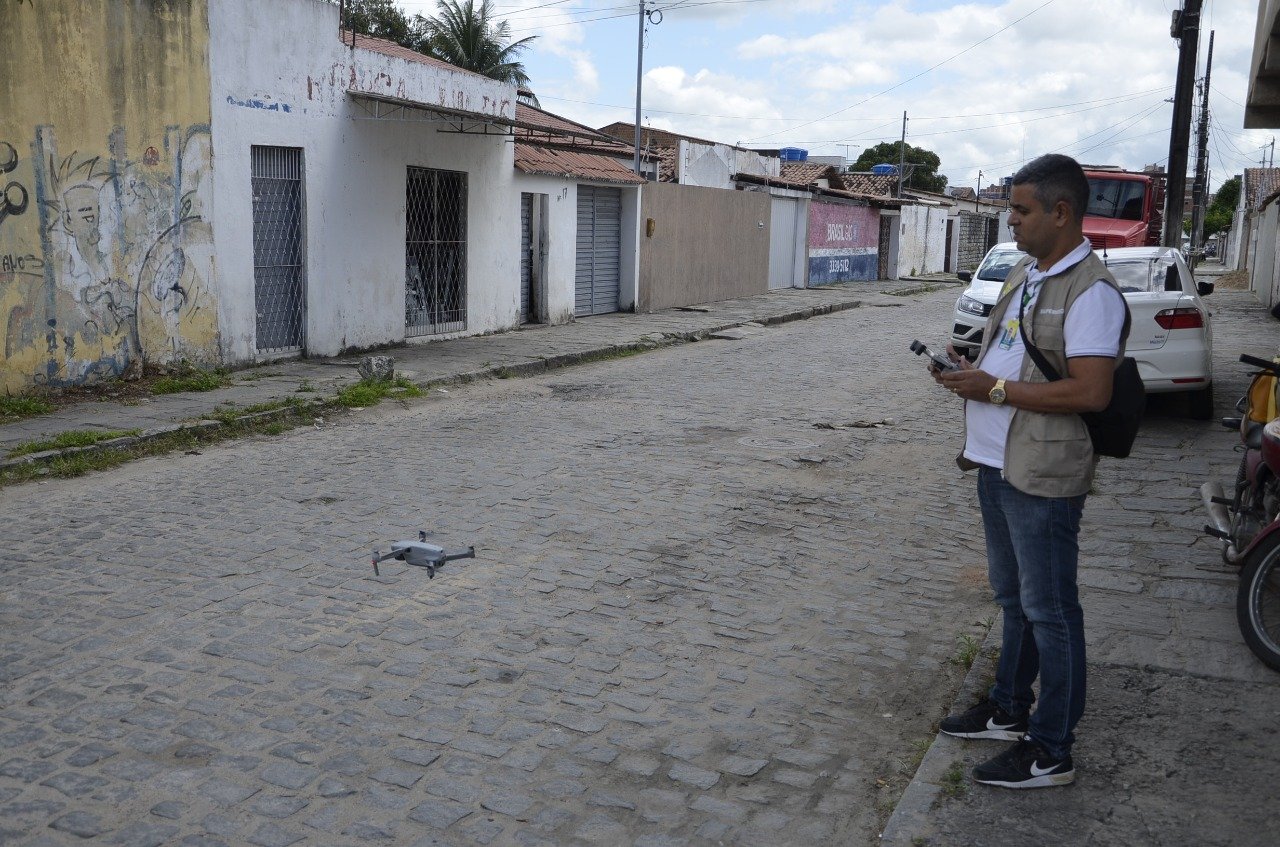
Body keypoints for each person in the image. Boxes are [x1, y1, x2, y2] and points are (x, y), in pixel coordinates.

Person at [932, 153, 1129, 789]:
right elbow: (1013, 356)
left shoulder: (1090, 291)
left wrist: (991, 391)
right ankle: (1008, 711)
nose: (1010, 221)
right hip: (997, 461)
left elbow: (1091, 393)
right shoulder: (1026, 273)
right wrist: (970, 365)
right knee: (1014, 601)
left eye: (1021, 210)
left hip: (1043, 473)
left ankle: (1050, 751)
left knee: (1051, 612)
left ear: (1061, 212)